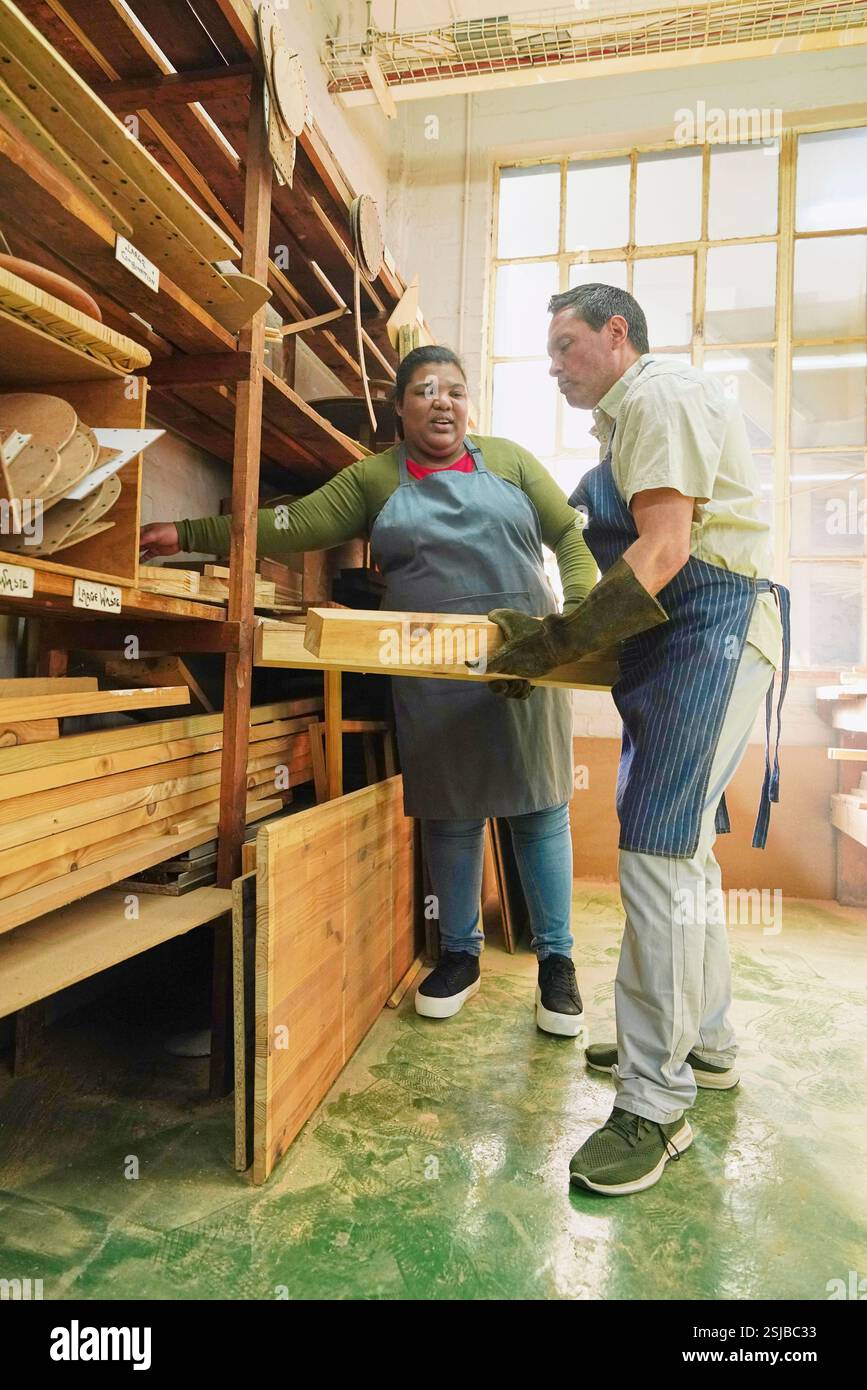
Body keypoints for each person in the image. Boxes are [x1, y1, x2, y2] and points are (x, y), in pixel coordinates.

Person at [139, 346, 596, 1034]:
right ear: (400, 408)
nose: (441, 401)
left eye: (454, 389)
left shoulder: (508, 460)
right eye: (424, 390)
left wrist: (581, 618)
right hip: (428, 668)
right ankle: (459, 955)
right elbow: (291, 524)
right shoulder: (373, 479)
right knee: (449, 813)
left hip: (521, 658)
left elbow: (568, 534)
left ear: (467, 404)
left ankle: (555, 965)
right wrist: (189, 532)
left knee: (538, 809)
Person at [485, 285, 790, 1196]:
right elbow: (636, 562)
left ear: (616, 335)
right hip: (681, 636)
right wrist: (560, 627)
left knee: (657, 853)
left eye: (566, 345)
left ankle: (654, 1108)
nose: (553, 365)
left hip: (714, 627)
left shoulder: (658, 394)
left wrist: (550, 645)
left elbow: (660, 554)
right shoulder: (624, 426)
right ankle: (703, 1044)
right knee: (682, 854)